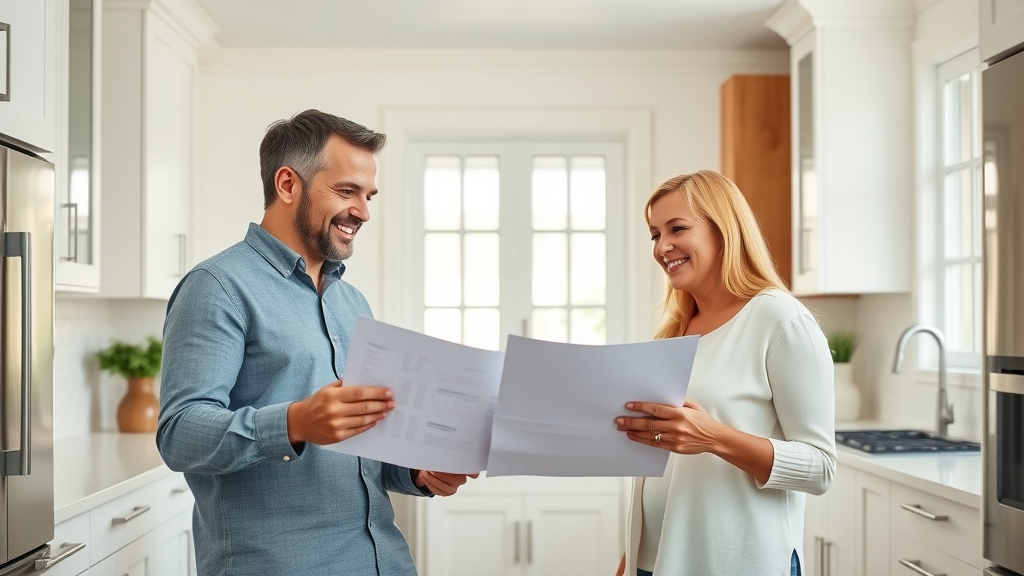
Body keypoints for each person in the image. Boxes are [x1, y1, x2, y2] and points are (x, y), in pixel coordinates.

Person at [156, 109, 475, 576]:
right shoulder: (217, 286)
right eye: (346, 191)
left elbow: (363, 448)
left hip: (384, 562)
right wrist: (295, 421)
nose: (363, 212)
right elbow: (179, 434)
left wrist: (415, 473)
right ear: (288, 184)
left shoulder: (353, 302)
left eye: (368, 196)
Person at [613, 170, 837, 576]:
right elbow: (663, 472)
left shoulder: (778, 319)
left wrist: (712, 436)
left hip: (738, 563)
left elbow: (820, 467)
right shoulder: (674, 333)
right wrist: (629, 562)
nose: (663, 247)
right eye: (654, 234)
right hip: (655, 562)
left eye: (677, 228)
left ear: (724, 231)